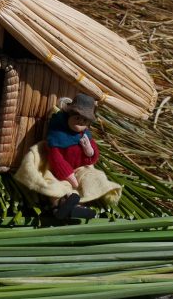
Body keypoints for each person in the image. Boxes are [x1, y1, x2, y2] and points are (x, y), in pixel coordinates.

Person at [13, 93, 122, 221]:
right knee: (55, 186)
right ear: (69, 115)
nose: (80, 122)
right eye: (77, 118)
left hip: (80, 168)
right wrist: (69, 175)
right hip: (57, 170)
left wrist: (89, 151)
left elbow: (92, 157)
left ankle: (74, 207)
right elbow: (56, 158)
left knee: (94, 178)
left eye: (84, 120)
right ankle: (59, 205)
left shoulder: (85, 135)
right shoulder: (57, 133)